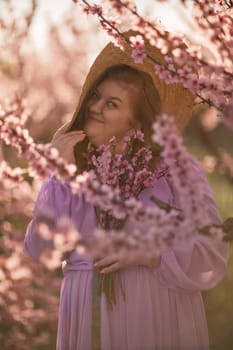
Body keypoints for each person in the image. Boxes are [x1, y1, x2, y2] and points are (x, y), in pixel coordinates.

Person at [24, 30, 229, 350]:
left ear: (135, 123)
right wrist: (59, 174)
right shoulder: (76, 172)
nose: (95, 107)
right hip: (85, 318)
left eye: (112, 103)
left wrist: (151, 255)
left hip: (155, 317)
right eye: (96, 96)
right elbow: (40, 249)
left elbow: (211, 255)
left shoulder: (177, 170)